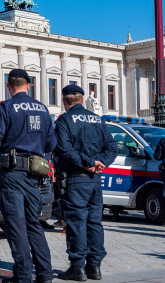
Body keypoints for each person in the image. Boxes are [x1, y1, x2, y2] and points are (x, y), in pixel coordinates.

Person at [0, 69, 56, 283]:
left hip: (12, 174)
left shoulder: (6, 107)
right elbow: (51, 144)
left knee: (16, 224)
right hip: (35, 174)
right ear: (29, 85)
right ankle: (45, 274)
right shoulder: (43, 109)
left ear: (9, 86)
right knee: (33, 223)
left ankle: (23, 276)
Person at [54, 84, 117, 281]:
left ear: (65, 101)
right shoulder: (98, 119)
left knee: (76, 223)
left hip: (75, 179)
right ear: (82, 99)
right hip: (95, 180)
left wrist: (88, 163)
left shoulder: (64, 120)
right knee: (95, 222)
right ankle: (95, 267)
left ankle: (78, 267)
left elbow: (64, 149)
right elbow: (112, 148)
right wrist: (99, 164)